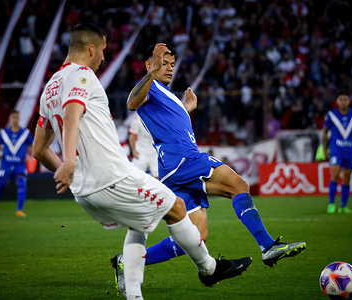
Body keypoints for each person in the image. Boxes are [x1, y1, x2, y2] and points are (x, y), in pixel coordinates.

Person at [31, 24, 251, 300]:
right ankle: (209, 269)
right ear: (90, 49)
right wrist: (70, 163)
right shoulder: (82, 75)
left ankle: (133, 293)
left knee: (140, 223)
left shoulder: (50, 87)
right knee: (177, 207)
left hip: (85, 191)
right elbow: (73, 113)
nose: (103, 57)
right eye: (102, 50)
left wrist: (71, 173)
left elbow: (39, 149)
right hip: (112, 176)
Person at [118, 42, 305, 277]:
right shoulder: (149, 87)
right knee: (239, 185)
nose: (169, 68)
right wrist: (152, 71)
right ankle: (267, 246)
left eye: (172, 64)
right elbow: (131, 102)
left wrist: (187, 107)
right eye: (163, 63)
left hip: (173, 168)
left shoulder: (167, 96)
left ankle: (128, 261)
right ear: (149, 64)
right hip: (184, 160)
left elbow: (170, 122)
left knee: (196, 235)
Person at [323, 92, 352, 214]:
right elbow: (325, 132)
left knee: (347, 177)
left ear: (349, 101)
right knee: (335, 174)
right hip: (336, 149)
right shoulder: (331, 115)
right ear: (337, 101)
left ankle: (343, 206)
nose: (343, 101)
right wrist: (325, 149)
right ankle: (331, 204)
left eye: (345, 99)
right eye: (340, 99)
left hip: (349, 150)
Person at [0, 110, 33, 217]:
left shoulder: (25, 133)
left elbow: (32, 146)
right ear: (10, 119)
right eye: (13, 117)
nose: (15, 119)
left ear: (19, 119)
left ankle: (19, 210)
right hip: (6, 164)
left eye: (17, 117)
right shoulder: (4, 133)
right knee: (0, 185)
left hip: (20, 164)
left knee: (22, 182)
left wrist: (29, 156)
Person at [128, 113, 158, 178]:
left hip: (154, 153)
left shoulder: (158, 118)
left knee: (159, 177)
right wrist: (133, 150)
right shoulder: (138, 118)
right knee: (136, 177)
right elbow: (132, 136)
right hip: (141, 152)